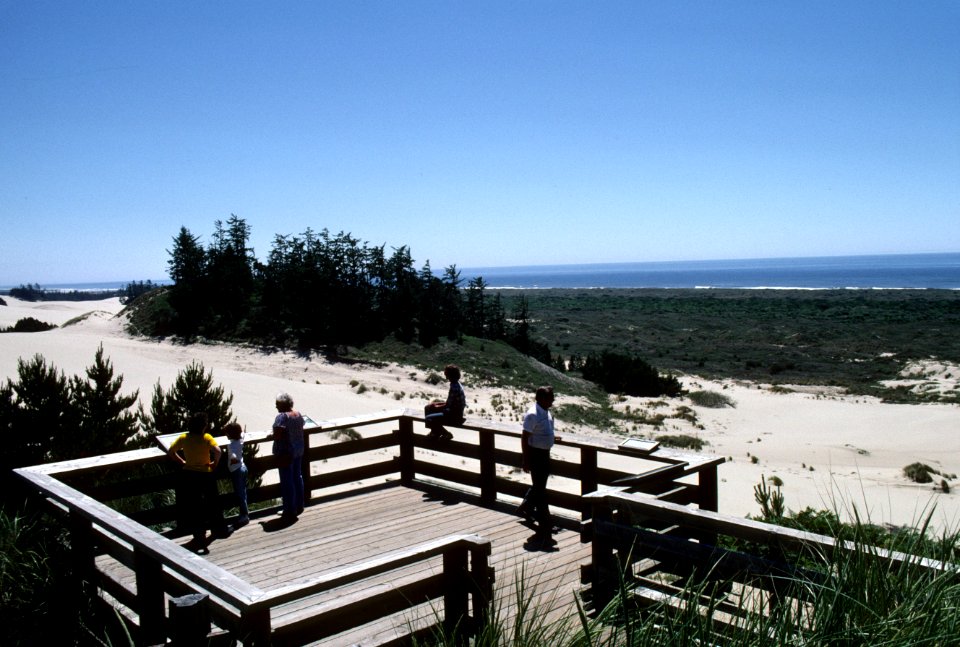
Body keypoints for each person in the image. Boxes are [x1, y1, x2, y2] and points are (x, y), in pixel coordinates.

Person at [168, 411, 230, 545]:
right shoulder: (207, 437)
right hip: (205, 473)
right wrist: (214, 463)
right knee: (213, 502)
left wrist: (182, 462)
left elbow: (171, 452)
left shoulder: (184, 438)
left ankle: (198, 534)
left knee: (194, 505)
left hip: (189, 474)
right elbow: (218, 451)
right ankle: (218, 529)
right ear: (203, 426)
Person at [517, 386, 557, 543]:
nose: (553, 400)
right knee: (540, 491)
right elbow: (525, 437)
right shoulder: (533, 414)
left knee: (539, 488)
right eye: (550, 397)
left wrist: (553, 437)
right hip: (536, 455)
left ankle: (527, 507)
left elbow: (543, 431)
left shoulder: (546, 412)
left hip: (545, 454)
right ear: (541, 398)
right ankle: (545, 523)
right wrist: (526, 459)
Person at [273, 392, 305, 520]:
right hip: (298, 450)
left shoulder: (281, 417)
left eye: (277, 404)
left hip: (285, 452)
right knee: (297, 477)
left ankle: (289, 509)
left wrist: (273, 435)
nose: (276, 407)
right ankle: (299, 505)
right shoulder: (297, 414)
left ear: (283, 404)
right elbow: (301, 425)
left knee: (287, 481)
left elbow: (277, 433)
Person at [424, 364, 466, 441]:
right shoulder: (457, 384)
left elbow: (448, 406)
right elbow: (450, 403)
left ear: (451, 375)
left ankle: (444, 433)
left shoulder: (454, 387)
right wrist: (436, 404)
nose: (446, 377)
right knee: (430, 407)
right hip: (457, 412)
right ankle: (435, 432)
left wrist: (436, 406)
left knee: (429, 417)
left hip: (454, 415)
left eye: (447, 375)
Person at [224, 422, 249, 527]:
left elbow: (233, 458)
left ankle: (244, 515)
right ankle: (245, 513)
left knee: (240, 494)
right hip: (243, 467)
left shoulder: (231, 445)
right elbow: (243, 434)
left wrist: (233, 459)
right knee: (243, 491)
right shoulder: (240, 440)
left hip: (236, 470)